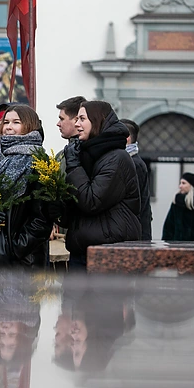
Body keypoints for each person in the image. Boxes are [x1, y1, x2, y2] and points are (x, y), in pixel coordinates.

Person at [0, 105, 51, 269]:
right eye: (6, 122)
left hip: (24, 258)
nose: (8, 127)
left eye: (16, 122)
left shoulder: (40, 161)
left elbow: (43, 216)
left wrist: (16, 247)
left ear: (30, 125)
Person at [62, 101, 142, 268]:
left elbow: (91, 201)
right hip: (81, 248)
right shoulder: (85, 153)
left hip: (108, 251)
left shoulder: (117, 158)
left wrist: (74, 166)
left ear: (98, 120)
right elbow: (74, 208)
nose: (76, 124)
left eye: (82, 119)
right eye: (76, 119)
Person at [120, 119, 153, 241]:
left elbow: (136, 204)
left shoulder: (135, 164)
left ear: (127, 138)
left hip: (135, 234)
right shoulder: (129, 161)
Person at [55, 96, 86, 167]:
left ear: (76, 120)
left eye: (62, 119)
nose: (58, 124)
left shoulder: (86, 153)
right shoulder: (61, 155)